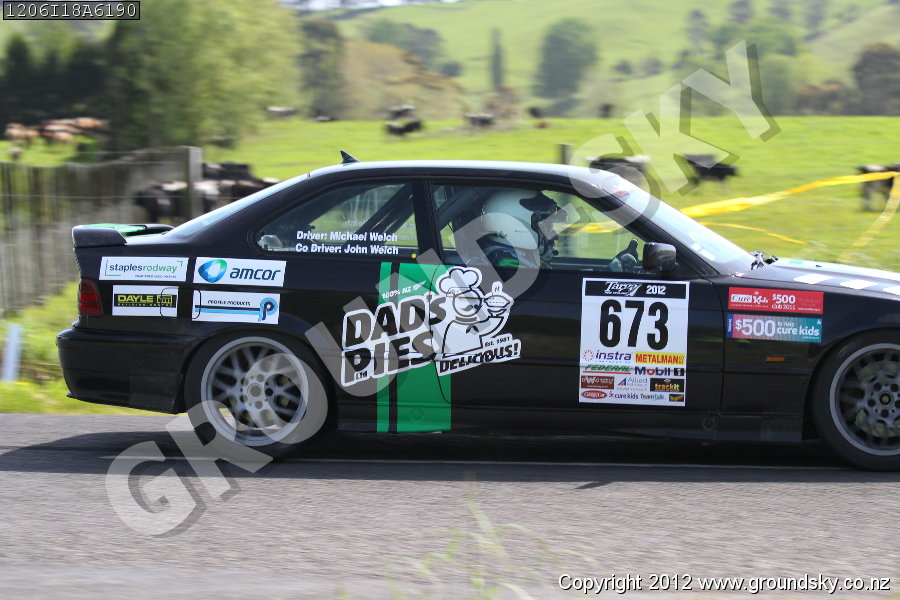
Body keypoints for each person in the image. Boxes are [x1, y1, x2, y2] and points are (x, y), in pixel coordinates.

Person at [474, 189, 561, 269]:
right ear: (517, 226)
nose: (555, 235)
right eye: (547, 226)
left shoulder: (501, 258)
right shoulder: (509, 267)